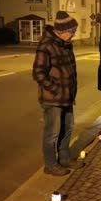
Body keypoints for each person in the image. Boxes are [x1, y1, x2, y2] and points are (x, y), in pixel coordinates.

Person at [32, 12, 85, 176]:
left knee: (68, 128)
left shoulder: (65, 44)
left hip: (67, 97)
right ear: (62, 31)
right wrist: (55, 89)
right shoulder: (46, 45)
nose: (74, 34)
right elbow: (38, 73)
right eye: (72, 31)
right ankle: (50, 164)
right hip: (53, 99)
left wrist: (70, 91)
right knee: (52, 132)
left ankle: (64, 158)